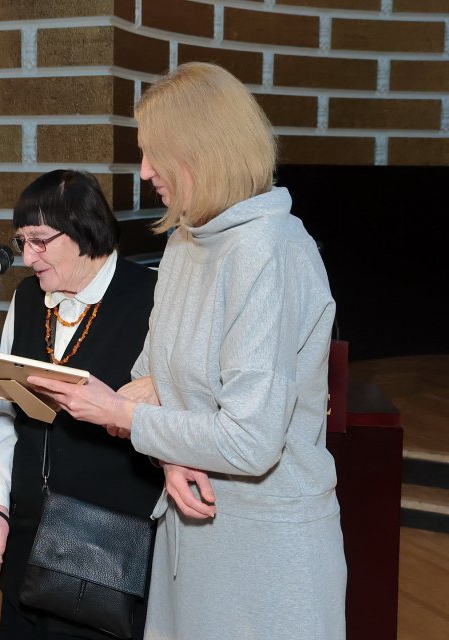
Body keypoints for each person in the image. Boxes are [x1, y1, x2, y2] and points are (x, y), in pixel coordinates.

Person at [29, 62, 346, 640]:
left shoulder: (270, 254)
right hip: (189, 525)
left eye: (156, 154)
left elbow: (250, 441)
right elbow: (151, 379)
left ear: (205, 151)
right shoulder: (183, 239)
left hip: (266, 551)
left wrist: (118, 414)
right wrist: (170, 457)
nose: (145, 171)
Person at [0, 170, 163, 639]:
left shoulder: (153, 297)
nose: (27, 256)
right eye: (22, 241)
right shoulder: (28, 298)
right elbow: (3, 415)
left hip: (109, 552)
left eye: (40, 241)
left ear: (84, 230)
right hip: (27, 538)